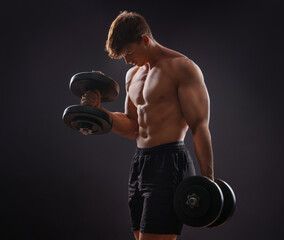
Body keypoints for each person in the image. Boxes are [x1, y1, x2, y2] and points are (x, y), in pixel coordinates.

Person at [81, 11, 214, 240]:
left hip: (169, 162)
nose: (127, 60)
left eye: (129, 52)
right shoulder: (132, 75)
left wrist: (209, 182)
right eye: (123, 55)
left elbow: (199, 127)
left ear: (145, 40)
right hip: (141, 164)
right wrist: (99, 112)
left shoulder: (182, 68)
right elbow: (133, 127)